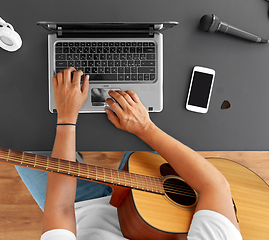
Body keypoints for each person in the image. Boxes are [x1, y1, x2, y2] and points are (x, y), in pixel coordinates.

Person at [16, 67, 242, 240]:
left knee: (13, 132)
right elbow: (215, 187)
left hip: (78, 208)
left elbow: (61, 208)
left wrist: (66, 118)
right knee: (155, 102)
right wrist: (145, 128)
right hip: (153, 197)